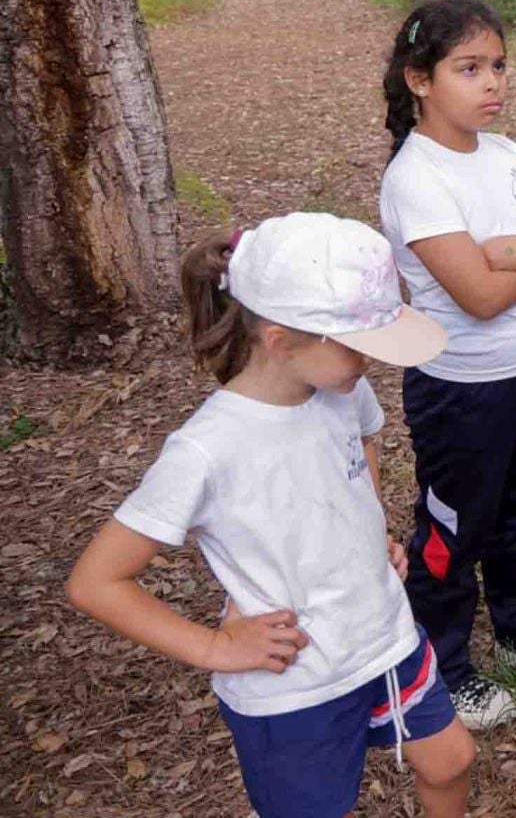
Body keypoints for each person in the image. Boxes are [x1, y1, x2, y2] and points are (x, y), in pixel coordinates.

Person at [66, 214, 475, 818]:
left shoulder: (341, 387)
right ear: (280, 338)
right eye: (359, 345)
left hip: (385, 639)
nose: (373, 361)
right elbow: (95, 582)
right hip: (296, 684)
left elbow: (361, 444)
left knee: (451, 761)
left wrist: (371, 529)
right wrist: (213, 647)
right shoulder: (207, 450)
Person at [378, 0, 516, 731]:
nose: (492, 82)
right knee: (455, 525)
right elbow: (474, 296)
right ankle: (439, 664)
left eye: (498, 65)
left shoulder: (508, 154)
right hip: (461, 388)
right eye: (469, 68)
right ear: (419, 79)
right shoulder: (417, 178)